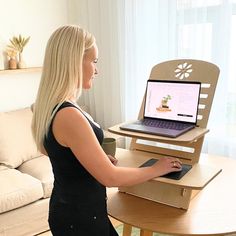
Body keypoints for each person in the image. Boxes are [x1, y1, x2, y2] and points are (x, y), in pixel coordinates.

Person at [31, 25, 182, 236]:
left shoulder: (48, 106)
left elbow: (51, 150)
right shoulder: (69, 115)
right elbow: (110, 178)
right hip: (81, 220)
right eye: (94, 61)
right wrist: (156, 168)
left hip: (69, 210)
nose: (97, 69)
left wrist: (93, 159)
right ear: (74, 61)